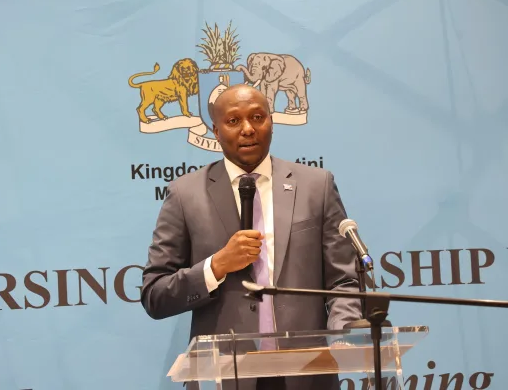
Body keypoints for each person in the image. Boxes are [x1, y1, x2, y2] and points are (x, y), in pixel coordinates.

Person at [141, 84, 362, 390]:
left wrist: (343, 331)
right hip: (227, 376)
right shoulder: (185, 194)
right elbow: (155, 294)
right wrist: (216, 266)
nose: (248, 129)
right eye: (234, 121)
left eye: (258, 117)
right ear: (216, 132)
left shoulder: (316, 185)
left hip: (308, 373)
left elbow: (344, 280)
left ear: (271, 122)